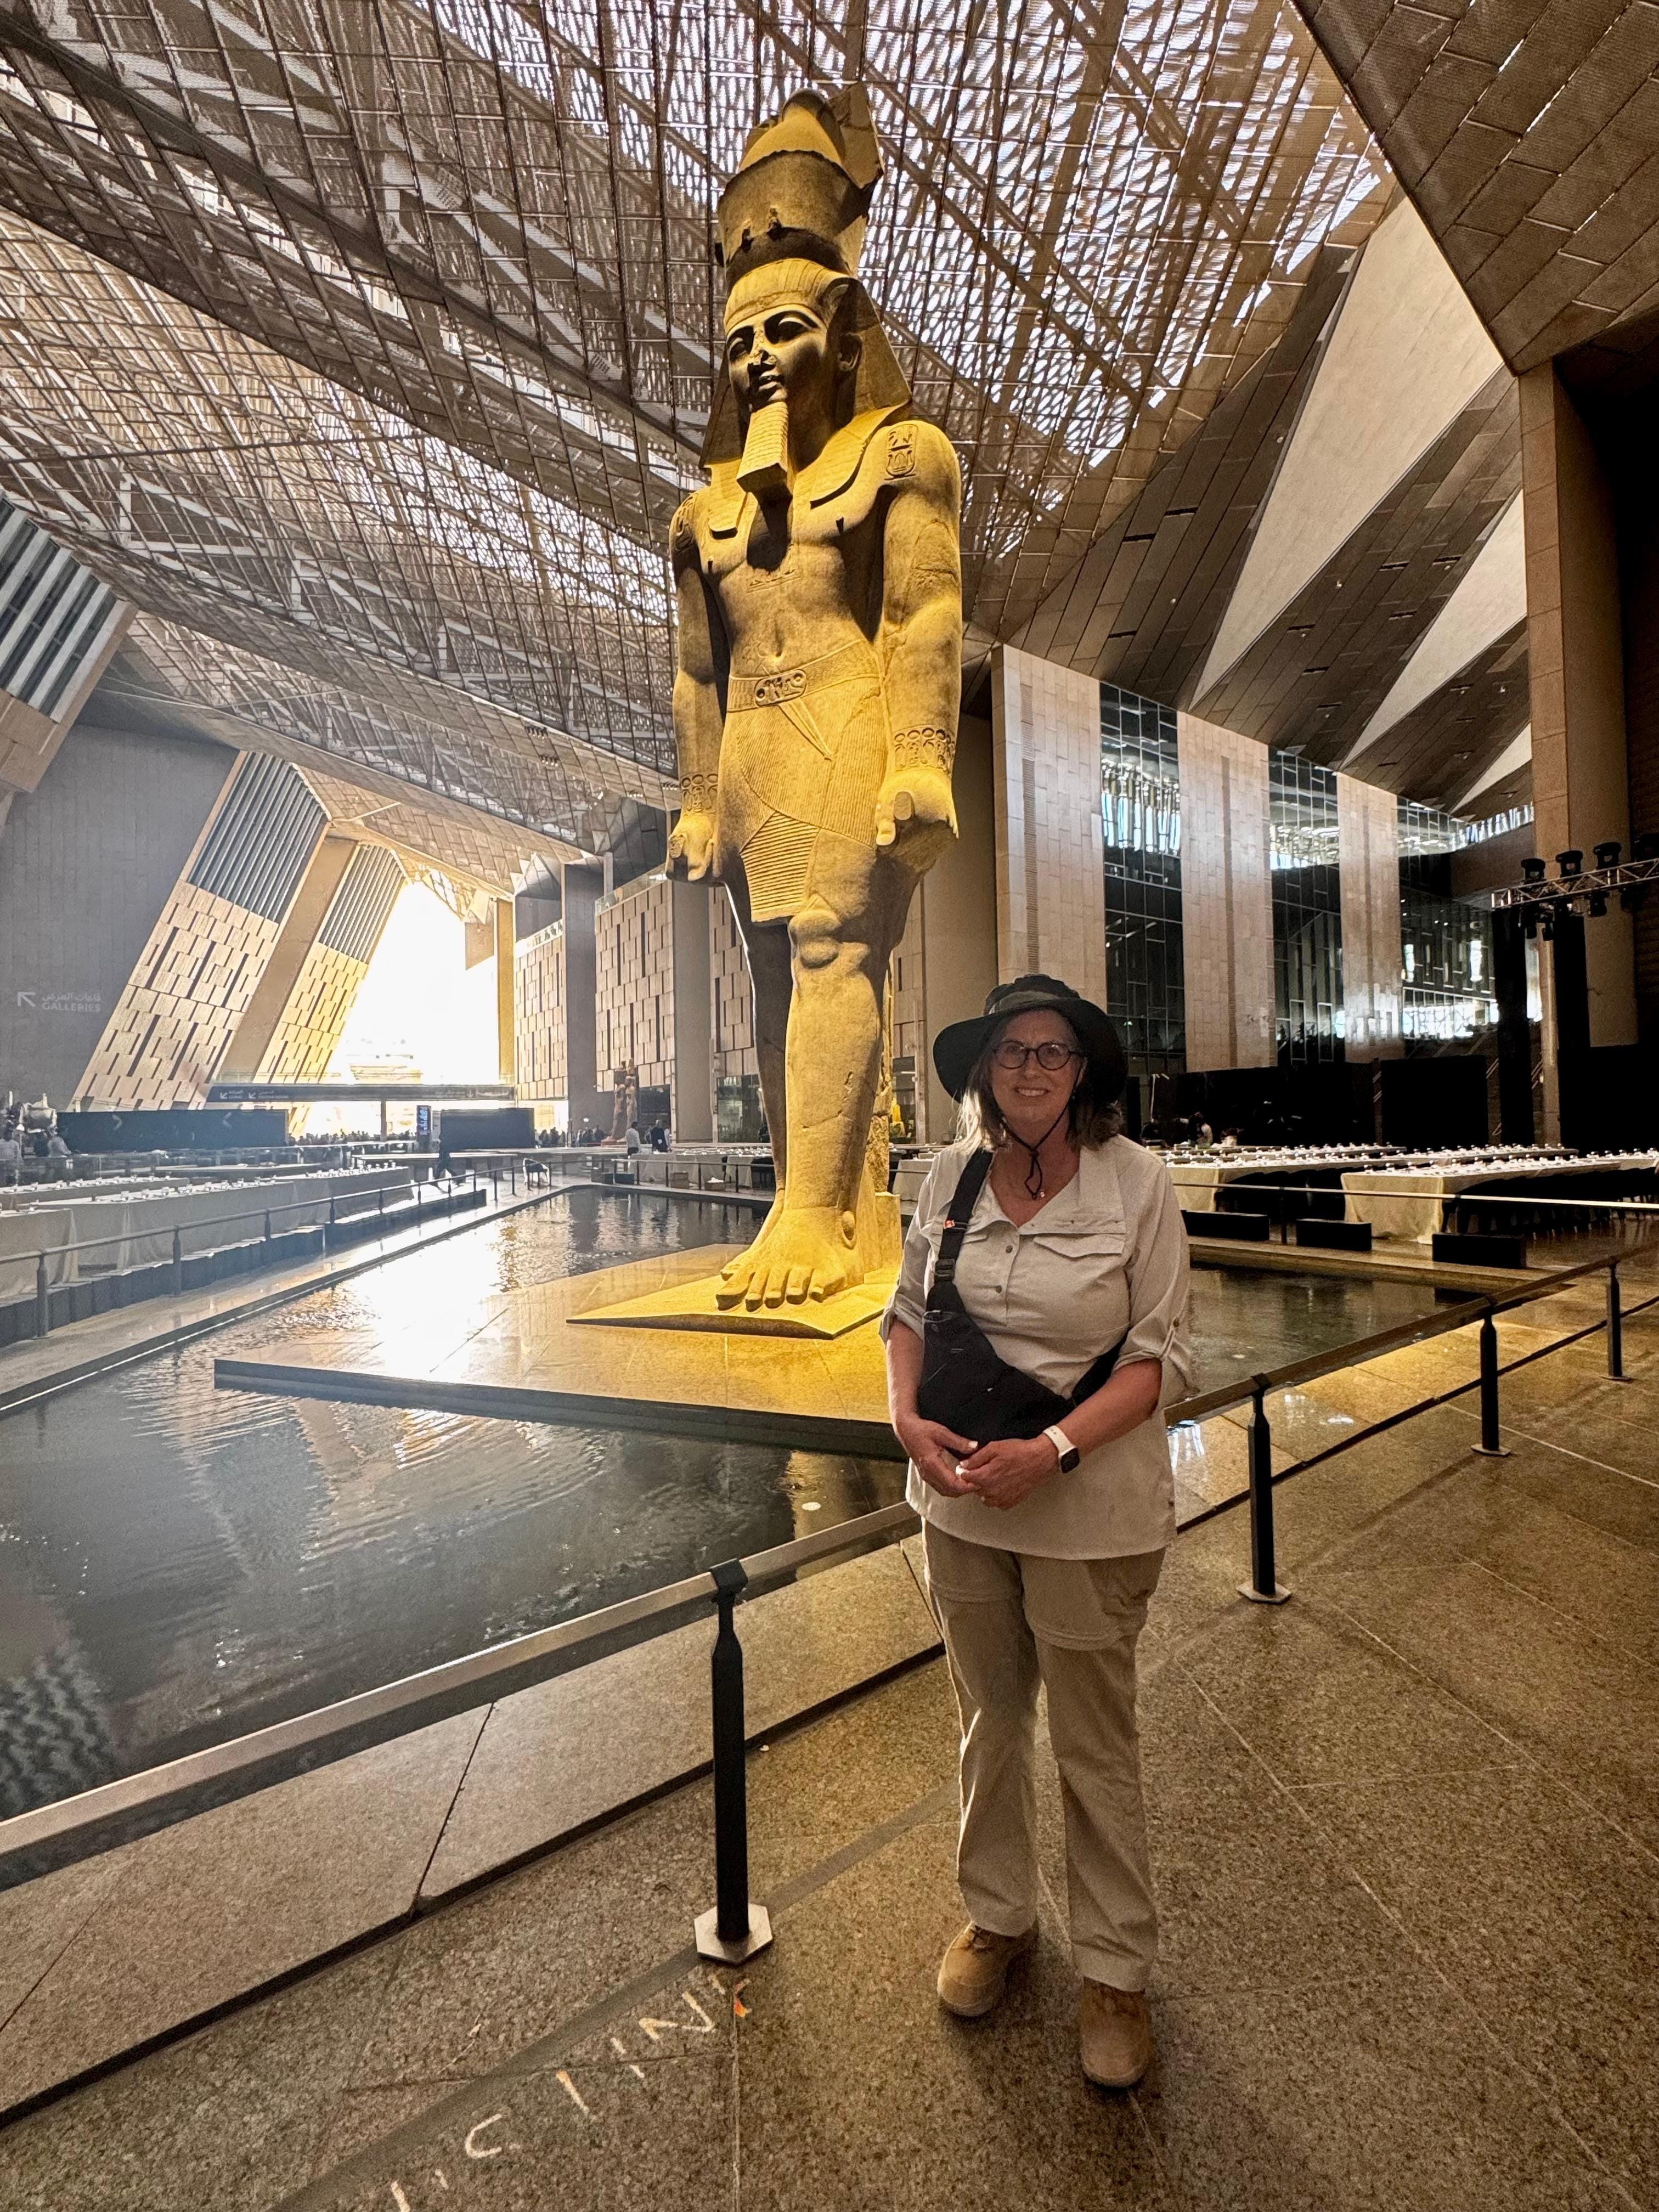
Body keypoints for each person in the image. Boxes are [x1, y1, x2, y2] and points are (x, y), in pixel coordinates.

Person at [882, 974, 1192, 2091]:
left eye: (1052, 1052)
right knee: (988, 1721)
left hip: (1090, 1513)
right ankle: (998, 1921)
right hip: (961, 1502)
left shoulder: (1136, 1184)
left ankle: (1114, 1970)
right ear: (983, 1071)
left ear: (1083, 1075)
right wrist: (905, 1417)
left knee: (1096, 1744)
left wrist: (1053, 1452)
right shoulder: (947, 1178)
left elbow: (1162, 1359)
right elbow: (910, 1314)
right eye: (1010, 1051)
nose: (1028, 1068)